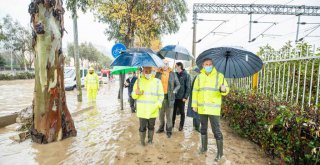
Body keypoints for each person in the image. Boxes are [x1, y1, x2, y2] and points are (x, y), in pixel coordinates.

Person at [192, 58, 230, 162]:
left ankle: (220, 153)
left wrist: (224, 89)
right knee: (203, 129)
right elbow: (195, 92)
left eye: (210, 64)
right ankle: (204, 148)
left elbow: (226, 89)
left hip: (214, 109)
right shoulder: (199, 77)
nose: (208, 66)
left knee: (216, 131)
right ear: (203, 66)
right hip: (202, 109)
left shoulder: (220, 76)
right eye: (206, 64)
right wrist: (194, 105)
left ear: (212, 65)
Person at [132, 67, 164, 146]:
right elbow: (133, 96)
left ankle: (150, 141)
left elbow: (161, 96)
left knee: (151, 127)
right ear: (143, 71)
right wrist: (136, 93)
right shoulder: (138, 81)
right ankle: (142, 143)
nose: (148, 73)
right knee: (142, 128)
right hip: (142, 111)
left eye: (150, 71)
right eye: (146, 71)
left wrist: (157, 105)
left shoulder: (157, 82)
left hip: (153, 110)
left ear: (153, 71)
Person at [155, 60, 180, 138]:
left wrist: (174, 91)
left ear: (168, 65)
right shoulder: (158, 73)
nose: (165, 65)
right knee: (161, 115)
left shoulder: (172, 73)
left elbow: (178, 85)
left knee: (169, 116)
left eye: (166, 64)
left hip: (170, 98)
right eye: (163, 64)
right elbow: (154, 84)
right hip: (160, 98)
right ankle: (161, 128)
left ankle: (169, 130)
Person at [172, 62, 191, 131]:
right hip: (174, 97)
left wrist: (185, 97)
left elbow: (188, 87)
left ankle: (181, 125)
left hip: (181, 98)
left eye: (176, 66)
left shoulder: (186, 75)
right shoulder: (174, 74)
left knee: (182, 112)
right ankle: (172, 124)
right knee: (173, 112)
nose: (175, 67)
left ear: (180, 66)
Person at [187, 67, 201, 133]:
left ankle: (195, 126)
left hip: (195, 97)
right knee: (197, 113)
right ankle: (197, 127)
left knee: (195, 112)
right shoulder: (199, 78)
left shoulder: (196, 77)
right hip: (197, 98)